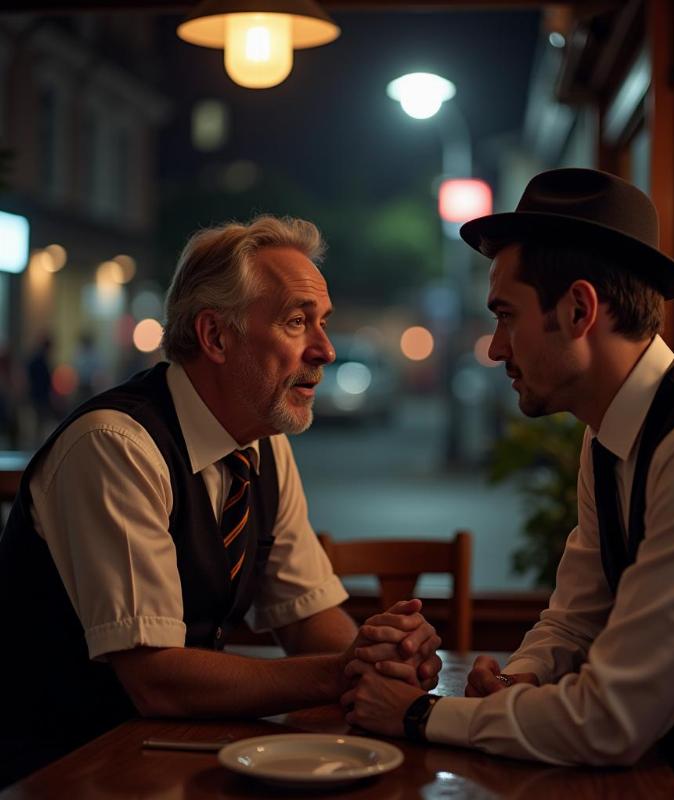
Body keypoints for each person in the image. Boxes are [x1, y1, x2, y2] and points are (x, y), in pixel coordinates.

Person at [342, 169, 674, 798]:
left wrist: (420, 714)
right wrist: (519, 680)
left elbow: (611, 722)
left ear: (580, 309)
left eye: (507, 316)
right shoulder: (610, 430)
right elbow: (574, 619)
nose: (496, 347)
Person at [0, 215, 441, 788]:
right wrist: (341, 673)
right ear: (214, 336)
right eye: (296, 322)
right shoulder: (115, 445)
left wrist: (380, 657)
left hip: (170, 752)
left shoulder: (263, 442)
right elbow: (157, 677)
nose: (327, 350)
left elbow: (308, 619)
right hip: (61, 768)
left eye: (323, 323)